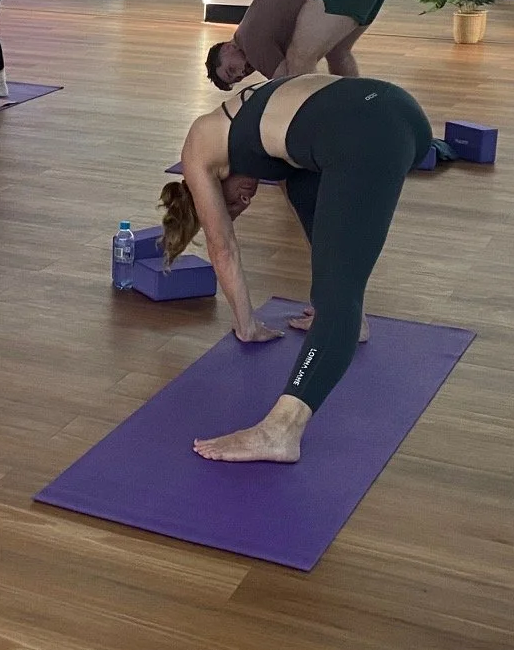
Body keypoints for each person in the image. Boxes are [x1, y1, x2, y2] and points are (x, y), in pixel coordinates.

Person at [161, 71, 431, 463]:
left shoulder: (198, 147)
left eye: (232, 202)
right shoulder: (266, 135)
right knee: (307, 194)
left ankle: (281, 430)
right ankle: (349, 319)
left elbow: (223, 249)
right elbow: (322, 225)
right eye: (238, 209)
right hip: (392, 108)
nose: (244, 202)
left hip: (368, 128)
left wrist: (247, 325)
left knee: (335, 297)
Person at [206, 0, 390, 89]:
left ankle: (318, 129)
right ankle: (354, 112)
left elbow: (288, 83)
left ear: (228, 48)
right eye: (239, 78)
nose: (241, 72)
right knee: (338, 52)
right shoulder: (251, 30)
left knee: (299, 61)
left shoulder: (250, 43)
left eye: (231, 69)